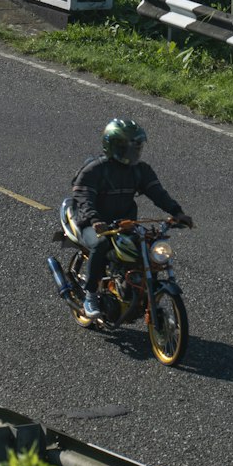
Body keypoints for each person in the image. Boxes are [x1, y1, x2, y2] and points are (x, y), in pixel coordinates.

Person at [66, 117, 192, 320]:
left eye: (137, 147)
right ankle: (90, 295)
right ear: (113, 146)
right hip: (93, 224)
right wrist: (94, 220)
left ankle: (135, 289)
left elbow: (157, 193)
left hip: (124, 223)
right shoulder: (95, 170)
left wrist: (177, 212)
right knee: (101, 244)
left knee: (148, 248)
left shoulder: (140, 170)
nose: (134, 152)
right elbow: (84, 198)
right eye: (128, 147)